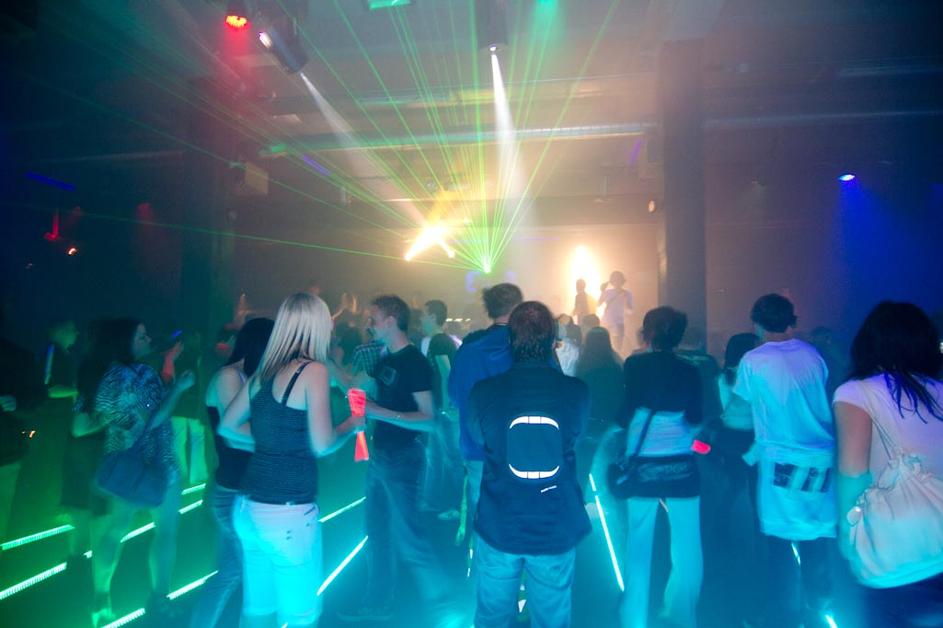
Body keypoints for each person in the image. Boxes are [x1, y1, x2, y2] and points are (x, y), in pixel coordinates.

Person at [221, 293, 363, 628]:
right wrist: (352, 425)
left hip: (247, 508)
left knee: (258, 612)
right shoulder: (313, 370)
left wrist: (275, 441)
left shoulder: (265, 371)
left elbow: (228, 426)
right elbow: (323, 444)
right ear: (316, 326)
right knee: (301, 618)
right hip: (287, 513)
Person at [468, 301, 591, 627]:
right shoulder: (576, 392)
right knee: (551, 619)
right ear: (553, 342)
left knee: (493, 617)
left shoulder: (484, 392)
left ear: (510, 341)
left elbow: (479, 440)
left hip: (499, 521)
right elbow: (575, 438)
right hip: (555, 523)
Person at [337, 296, 454, 624]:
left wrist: (378, 411)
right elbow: (354, 386)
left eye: (372, 318)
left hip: (403, 458)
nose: (368, 324)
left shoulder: (414, 361)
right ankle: (378, 602)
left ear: (391, 320)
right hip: (382, 456)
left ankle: (445, 607)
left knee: (409, 538)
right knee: (377, 533)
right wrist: (329, 366)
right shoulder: (385, 357)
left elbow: (429, 419)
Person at [833, 302, 943, 627]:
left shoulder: (857, 393)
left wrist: (847, 529)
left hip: (899, 546)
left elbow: (853, 472)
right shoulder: (938, 389)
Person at [733, 294, 835, 628]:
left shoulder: (754, 360)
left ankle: (782, 616)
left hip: (780, 462)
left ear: (757, 323)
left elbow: (739, 410)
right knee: (816, 536)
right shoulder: (813, 355)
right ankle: (817, 609)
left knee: (777, 544)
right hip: (820, 460)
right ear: (791, 321)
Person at [89, 319, 196, 626]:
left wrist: (168, 364)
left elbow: (112, 416)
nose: (147, 338)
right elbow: (154, 418)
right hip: (155, 463)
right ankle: (159, 598)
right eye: (141, 334)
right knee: (166, 530)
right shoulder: (136, 374)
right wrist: (179, 389)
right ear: (124, 339)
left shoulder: (110, 375)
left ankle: (101, 596)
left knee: (115, 530)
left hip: (124, 463)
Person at [620, 307, 703, 628]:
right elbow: (695, 418)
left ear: (648, 333)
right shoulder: (690, 370)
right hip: (681, 462)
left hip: (642, 462)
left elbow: (626, 411)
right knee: (687, 542)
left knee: (639, 540)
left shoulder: (634, 365)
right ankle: (683, 615)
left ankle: (633, 616)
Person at [189, 317, 274, 628]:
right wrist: (284, 442)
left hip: (241, 488)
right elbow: (233, 434)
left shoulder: (249, 378)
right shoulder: (229, 376)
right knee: (255, 576)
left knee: (231, 572)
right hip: (234, 492)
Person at [448, 283, 524, 544]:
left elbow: (455, 395)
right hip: (520, 448)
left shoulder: (469, 349)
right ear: (519, 307)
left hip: (478, 448)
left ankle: (483, 565)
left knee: (484, 518)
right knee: (518, 516)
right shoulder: (529, 346)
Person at [419, 299, 463, 519]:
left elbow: (446, 372)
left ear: (433, 317)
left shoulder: (438, 341)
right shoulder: (441, 341)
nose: (420, 319)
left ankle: (454, 506)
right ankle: (432, 502)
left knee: (450, 459)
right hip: (440, 408)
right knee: (435, 457)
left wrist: (447, 406)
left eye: (423, 314)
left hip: (443, 409)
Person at [574, 326, 623, 486]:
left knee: (582, 470)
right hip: (611, 426)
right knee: (608, 470)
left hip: (588, 425)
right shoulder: (616, 369)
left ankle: (582, 497)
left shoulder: (582, 368)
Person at [599, 271, 634, 356]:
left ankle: (616, 360)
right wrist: (602, 291)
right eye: (615, 280)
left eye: (618, 279)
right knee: (605, 345)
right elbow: (598, 304)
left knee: (618, 347)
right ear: (612, 281)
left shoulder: (627, 293)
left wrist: (626, 302)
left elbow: (630, 311)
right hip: (607, 322)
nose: (617, 282)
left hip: (619, 322)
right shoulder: (607, 292)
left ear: (622, 281)